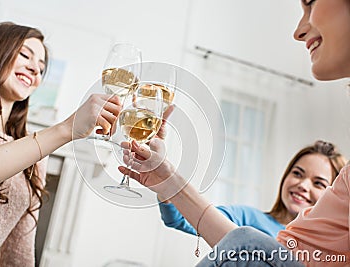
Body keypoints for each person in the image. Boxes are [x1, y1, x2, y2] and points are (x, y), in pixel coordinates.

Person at [118, 0, 350, 265]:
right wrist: (165, 177)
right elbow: (263, 256)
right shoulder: (260, 223)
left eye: (311, 2)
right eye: (297, 173)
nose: (298, 31)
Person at [0, 22, 121, 266]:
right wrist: (65, 129)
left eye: (41, 68)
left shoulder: (35, 159)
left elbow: (18, 254)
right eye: (24, 55)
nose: (34, 70)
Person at [158, 140, 347, 238]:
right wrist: (164, 182)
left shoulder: (330, 246)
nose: (303, 185)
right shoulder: (246, 219)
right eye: (297, 173)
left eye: (318, 183)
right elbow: (181, 219)